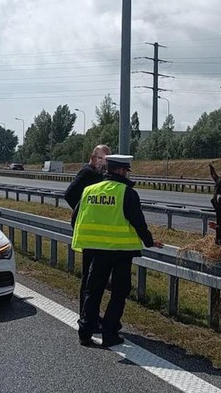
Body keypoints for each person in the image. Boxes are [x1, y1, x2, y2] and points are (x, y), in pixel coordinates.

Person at [71, 154, 162, 347]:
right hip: (121, 251)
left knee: (93, 289)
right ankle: (110, 333)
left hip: (96, 250)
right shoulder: (127, 193)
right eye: (126, 171)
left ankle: (85, 332)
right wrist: (149, 242)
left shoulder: (89, 190)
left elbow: (75, 217)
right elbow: (138, 222)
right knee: (119, 292)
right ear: (121, 170)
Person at [64, 144, 111, 321]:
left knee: (93, 276)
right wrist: (83, 210)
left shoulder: (97, 174)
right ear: (93, 158)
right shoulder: (87, 173)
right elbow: (69, 194)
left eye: (107, 159)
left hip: (94, 231)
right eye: (102, 159)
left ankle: (89, 314)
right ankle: (86, 315)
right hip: (88, 231)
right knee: (89, 277)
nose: (105, 163)